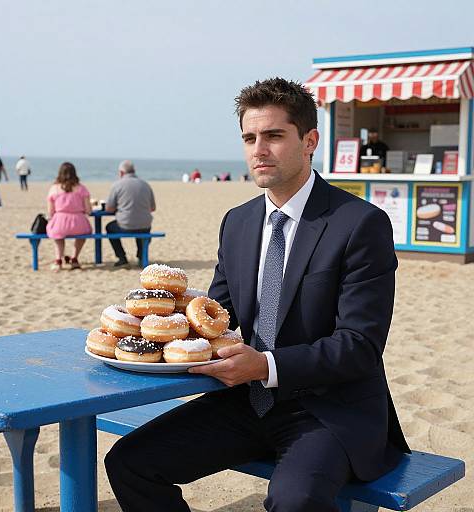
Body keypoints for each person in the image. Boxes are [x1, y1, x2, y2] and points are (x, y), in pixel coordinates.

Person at [105, 78, 410, 512]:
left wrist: (265, 365)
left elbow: (360, 346)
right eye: (249, 138)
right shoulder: (238, 222)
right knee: (129, 463)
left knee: (295, 501)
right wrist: (147, 331)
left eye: (273, 136)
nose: (258, 150)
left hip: (328, 410)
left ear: (310, 141)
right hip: (245, 400)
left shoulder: (360, 223)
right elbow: (217, 318)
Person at [105, 160, 156, 268]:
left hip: (125, 224)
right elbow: (153, 208)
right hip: (145, 224)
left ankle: (121, 257)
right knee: (142, 227)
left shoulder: (117, 185)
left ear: (122, 173)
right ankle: (141, 256)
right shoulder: (145, 184)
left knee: (109, 227)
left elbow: (109, 209)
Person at [46, 162, 92, 271]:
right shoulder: (81, 189)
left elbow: (50, 212)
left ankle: (58, 260)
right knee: (83, 235)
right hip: (79, 222)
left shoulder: (54, 189)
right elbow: (88, 210)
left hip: (60, 222)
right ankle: (74, 257)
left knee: (58, 236)